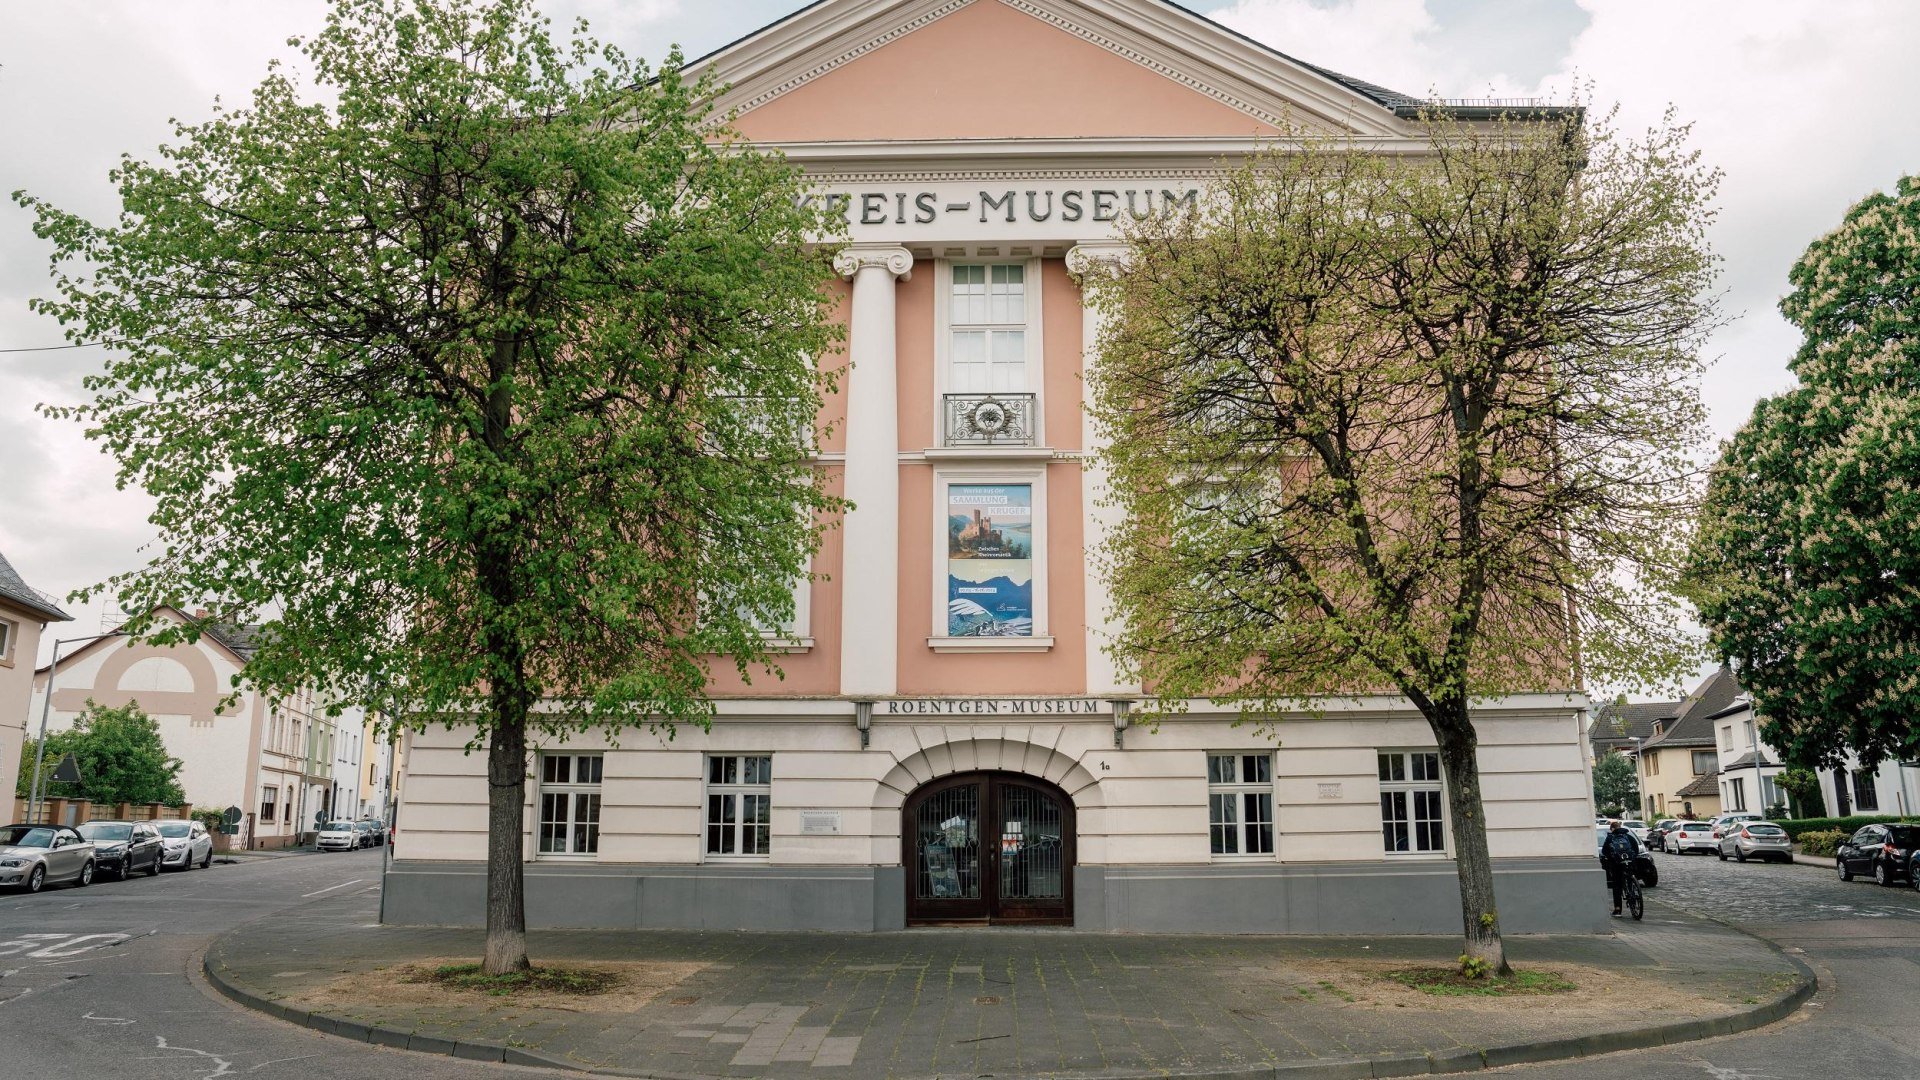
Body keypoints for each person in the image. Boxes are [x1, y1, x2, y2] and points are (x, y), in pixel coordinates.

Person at [1598, 819, 1642, 916]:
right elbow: (1636, 849)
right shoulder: (1629, 836)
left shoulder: (1610, 838)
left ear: (1612, 829)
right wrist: (1632, 859)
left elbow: (1605, 851)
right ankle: (1633, 901)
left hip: (1616, 864)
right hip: (1629, 863)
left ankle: (1618, 909)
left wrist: (1610, 859)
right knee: (1630, 881)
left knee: (1617, 886)